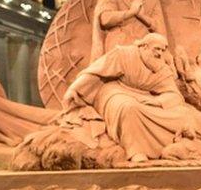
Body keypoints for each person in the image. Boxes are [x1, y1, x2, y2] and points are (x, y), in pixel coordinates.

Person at [63, 33, 190, 163]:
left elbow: (174, 95)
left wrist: (156, 101)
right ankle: (136, 151)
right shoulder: (123, 54)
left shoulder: (161, 67)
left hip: (146, 99)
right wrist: (75, 89)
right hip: (116, 91)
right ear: (144, 47)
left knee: (183, 114)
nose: (160, 53)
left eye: (163, 50)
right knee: (129, 108)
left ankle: (169, 149)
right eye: (157, 48)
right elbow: (96, 71)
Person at [91, 0, 166, 62]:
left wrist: (142, 16)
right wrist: (130, 13)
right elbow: (105, 19)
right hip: (118, 44)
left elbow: (160, 29)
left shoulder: (153, 0)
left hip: (143, 48)